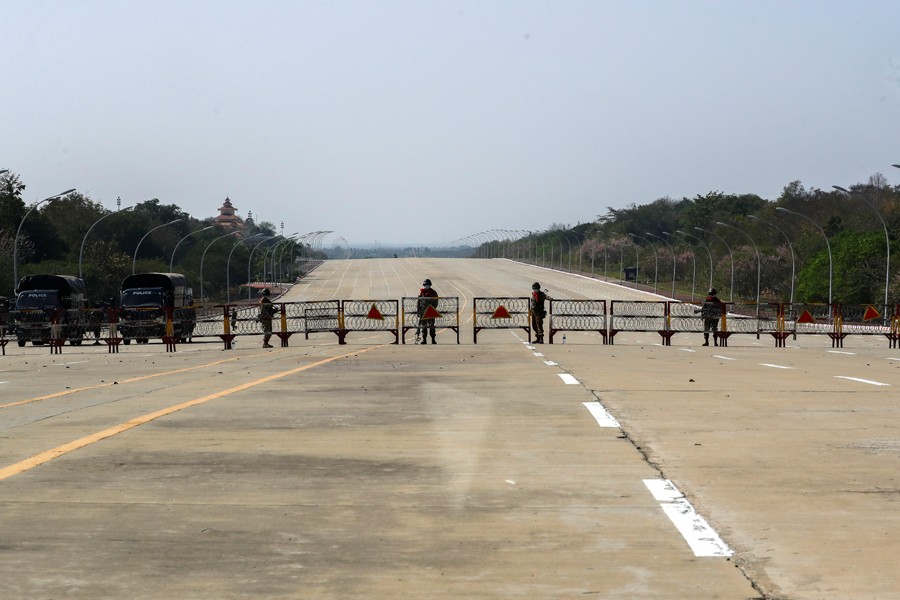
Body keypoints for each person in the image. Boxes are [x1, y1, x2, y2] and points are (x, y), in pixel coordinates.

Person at [416, 278, 439, 344]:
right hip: (423, 311)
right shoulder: (422, 292)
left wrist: (432, 309)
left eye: (427, 285)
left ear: (430, 285)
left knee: (432, 326)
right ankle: (424, 339)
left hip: (430, 310)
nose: (426, 286)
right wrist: (418, 311)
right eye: (425, 285)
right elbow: (419, 302)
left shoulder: (433, 292)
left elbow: (436, 302)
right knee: (424, 326)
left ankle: (433, 339)